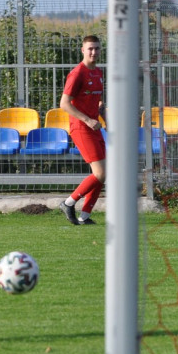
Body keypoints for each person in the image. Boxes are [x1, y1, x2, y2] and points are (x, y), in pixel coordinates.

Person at [59, 34, 106, 226]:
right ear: (83, 50)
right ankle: (68, 202)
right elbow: (64, 104)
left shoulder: (99, 73)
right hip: (81, 127)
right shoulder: (77, 73)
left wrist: (106, 120)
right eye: (90, 49)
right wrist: (86, 119)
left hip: (94, 126)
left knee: (104, 173)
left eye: (96, 48)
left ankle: (85, 216)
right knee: (101, 173)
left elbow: (99, 102)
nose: (94, 52)